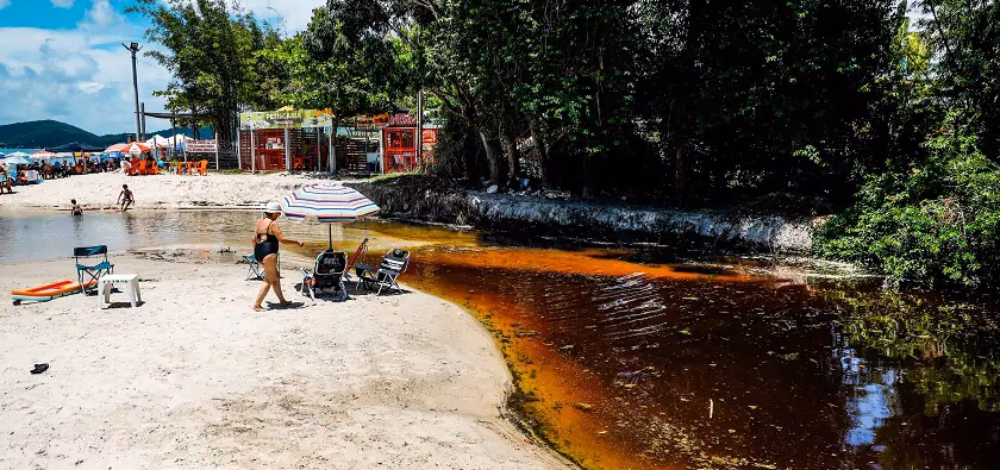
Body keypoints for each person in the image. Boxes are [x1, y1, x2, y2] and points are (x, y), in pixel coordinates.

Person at [252, 201, 305, 311]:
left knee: (275, 277)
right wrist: (297, 242)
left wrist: (257, 254)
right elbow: (282, 240)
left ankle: (282, 301)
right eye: (279, 213)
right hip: (269, 253)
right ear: (275, 212)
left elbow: (253, 240)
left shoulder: (260, 222)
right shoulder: (273, 224)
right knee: (268, 280)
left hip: (259, 252)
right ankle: (257, 305)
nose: (279, 215)